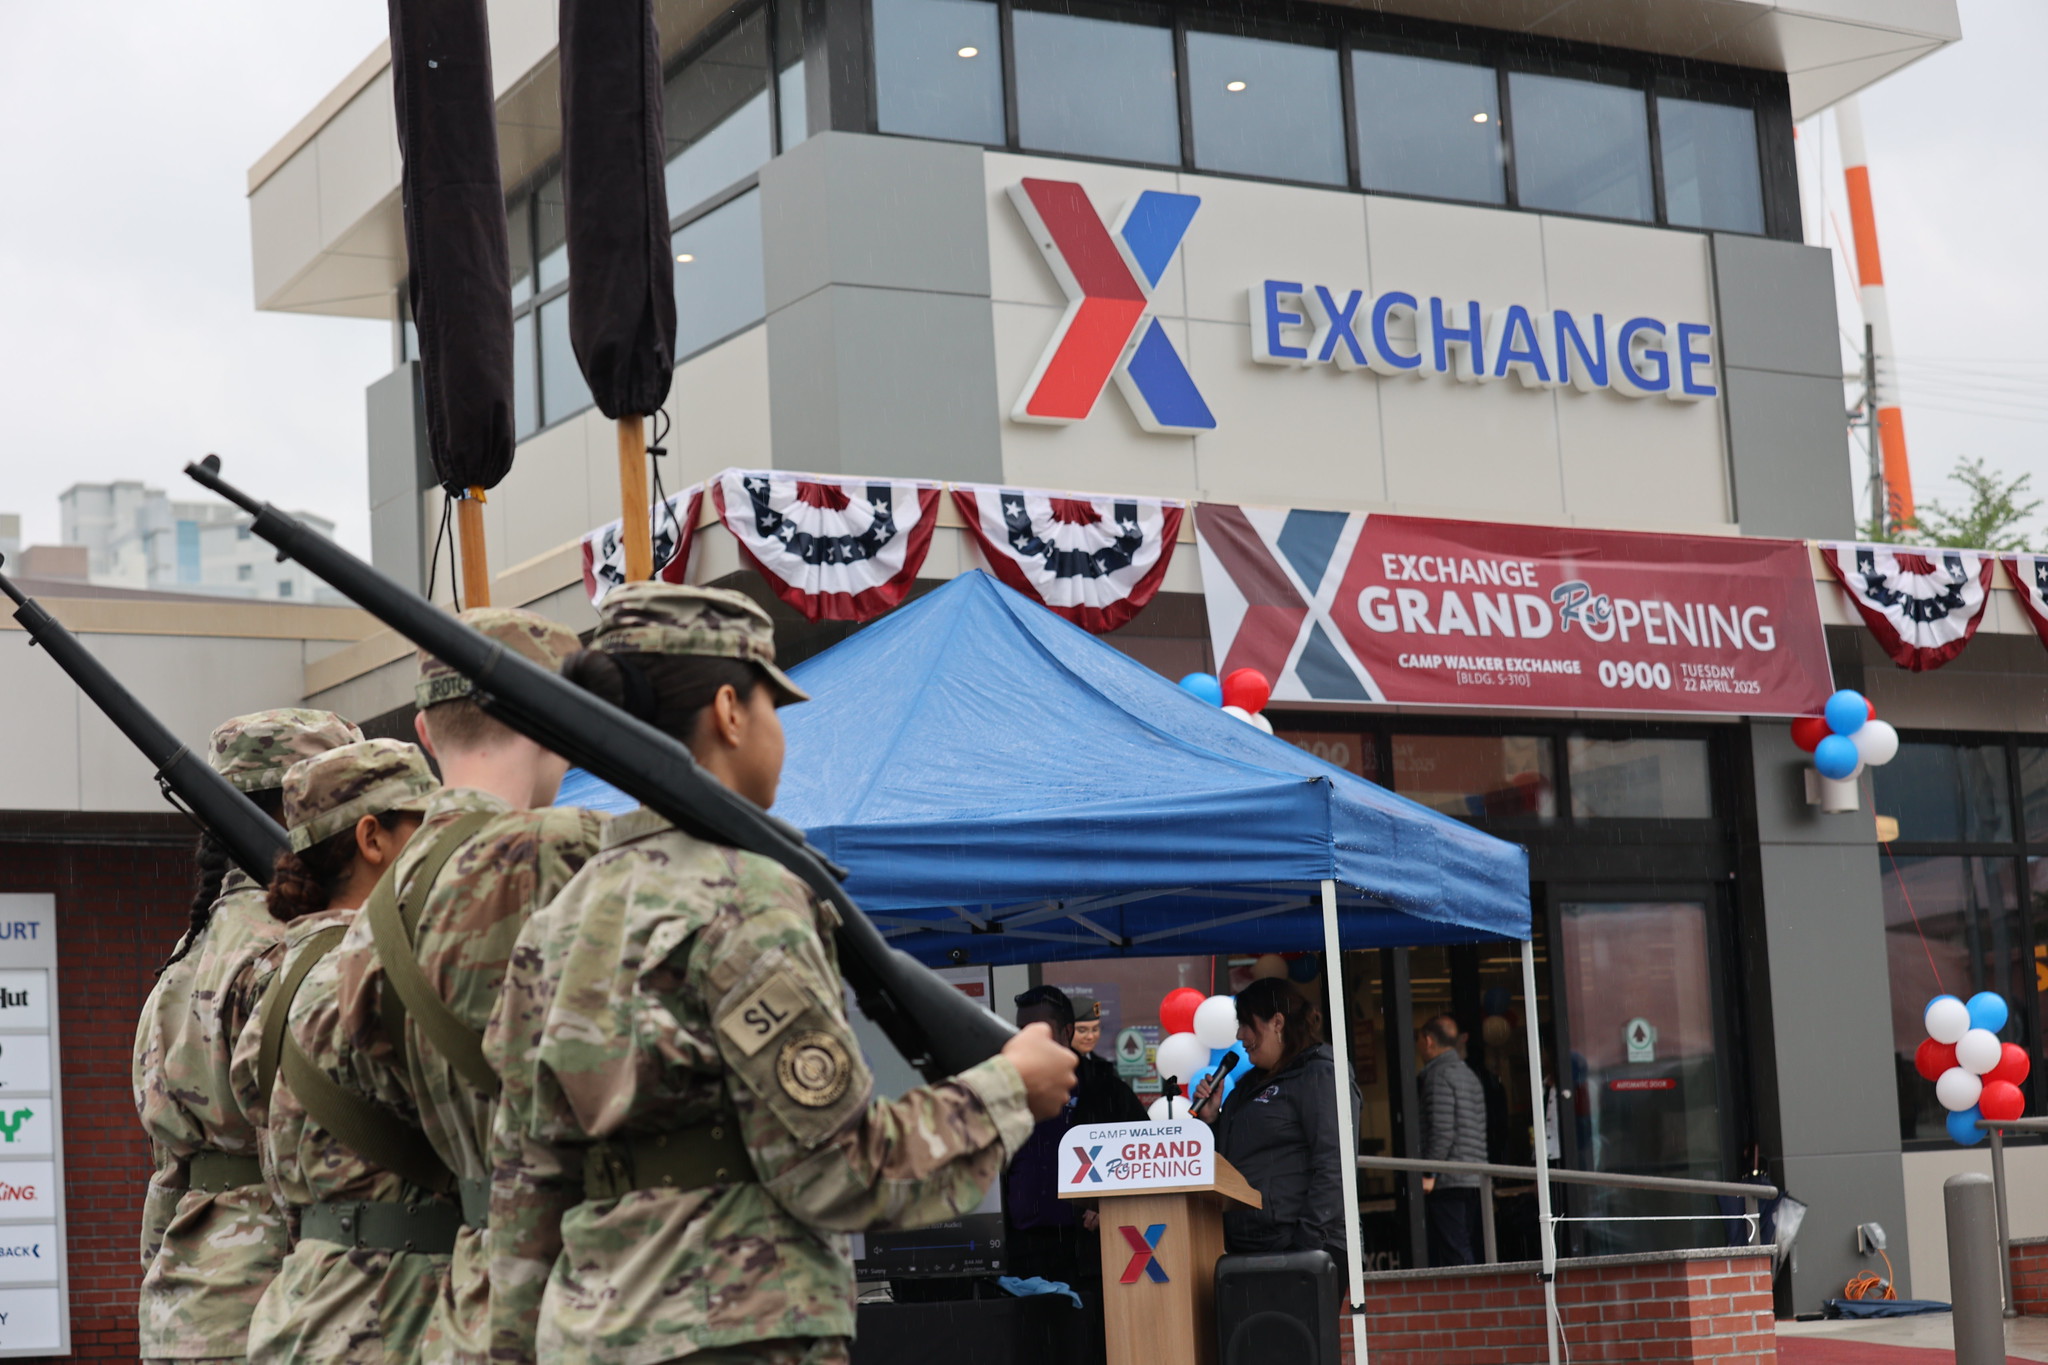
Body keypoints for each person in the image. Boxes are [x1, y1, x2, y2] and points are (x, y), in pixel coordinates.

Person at [484, 583, 1079, 1365]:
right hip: (734, 1332)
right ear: (730, 710)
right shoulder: (749, 896)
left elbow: (524, 1189)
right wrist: (1009, 1087)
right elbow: (841, 1166)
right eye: (774, 706)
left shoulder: (562, 916)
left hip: (587, 1336)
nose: (781, 733)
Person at [320, 609, 606, 1365]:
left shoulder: (375, 906)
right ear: (560, 719)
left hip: (474, 1289)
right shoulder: (567, 848)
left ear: (422, 728)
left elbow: (363, 1078)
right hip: (593, 1281)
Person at [133, 710, 364, 1365]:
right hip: (277, 1300)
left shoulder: (192, 945)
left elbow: (167, 1173)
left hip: (192, 1300)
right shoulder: (297, 945)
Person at [231, 739, 441, 1364]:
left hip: (308, 1303)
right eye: (427, 830)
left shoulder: (279, 971)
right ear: (373, 840)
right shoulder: (374, 971)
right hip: (392, 1309)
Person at [1194, 977, 1357, 1269]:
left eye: (1246, 1023)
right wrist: (1213, 1120)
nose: (1241, 1036)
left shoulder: (1319, 1075)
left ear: (1277, 1022)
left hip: (1300, 1249)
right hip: (1250, 1248)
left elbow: (1334, 1165)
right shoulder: (1249, 1084)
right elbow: (1233, 1159)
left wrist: (1305, 1243)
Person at [1003, 986, 1145, 1286]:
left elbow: (1143, 1160)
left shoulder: (1105, 1091)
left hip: (1087, 1256)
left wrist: (1112, 1202)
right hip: (1022, 1257)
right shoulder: (1008, 1092)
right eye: (1021, 1033)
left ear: (1067, 1032)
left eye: (1038, 1032)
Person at [1418, 1013, 1488, 1267]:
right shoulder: (1468, 1074)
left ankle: (1470, 1302)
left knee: (1456, 1253)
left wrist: (1429, 1173)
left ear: (1428, 1040)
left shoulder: (1438, 1076)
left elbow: (1442, 1131)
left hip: (1450, 1181)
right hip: (1473, 1176)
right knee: (1468, 1245)